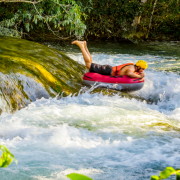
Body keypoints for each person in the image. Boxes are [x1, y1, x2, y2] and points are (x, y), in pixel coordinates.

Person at [71, 40, 148, 79]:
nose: (142, 71)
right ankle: (81, 46)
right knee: (88, 64)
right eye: (142, 69)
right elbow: (129, 74)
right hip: (107, 70)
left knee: (91, 63)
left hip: (108, 69)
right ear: (138, 67)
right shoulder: (131, 68)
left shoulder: (132, 66)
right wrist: (140, 76)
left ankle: (85, 45)